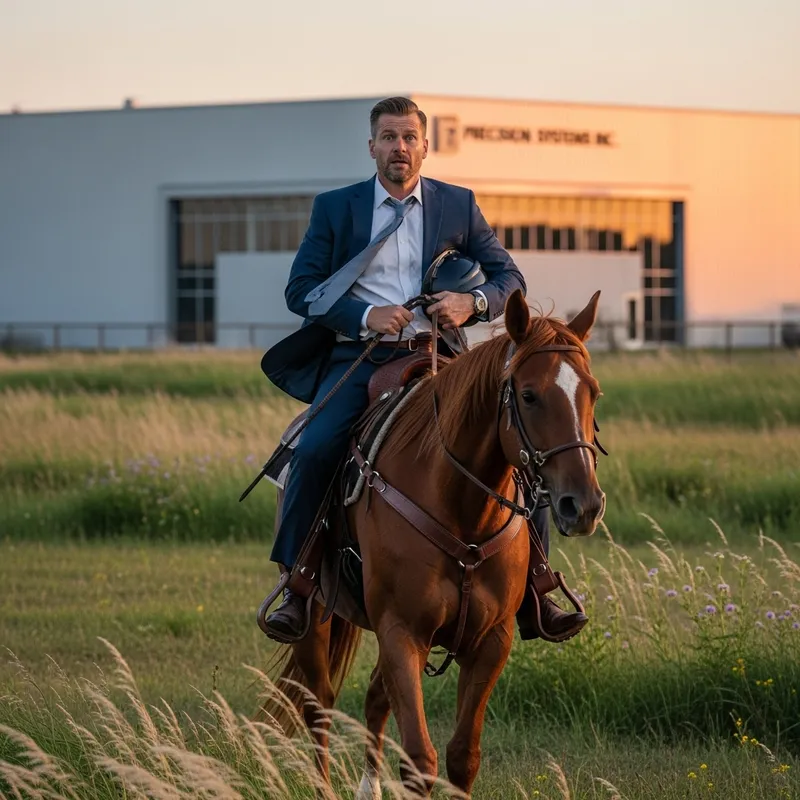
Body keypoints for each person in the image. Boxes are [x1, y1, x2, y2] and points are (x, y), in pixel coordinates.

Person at [260, 96, 587, 642]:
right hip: (362, 357)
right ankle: (298, 584)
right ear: (372, 147)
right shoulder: (335, 208)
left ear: (425, 147)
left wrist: (473, 304)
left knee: (519, 449)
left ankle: (538, 586)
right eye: (388, 137)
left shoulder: (457, 205)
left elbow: (510, 279)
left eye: (409, 137)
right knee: (316, 447)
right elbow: (301, 292)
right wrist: (366, 314)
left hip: (444, 357)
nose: (400, 147)